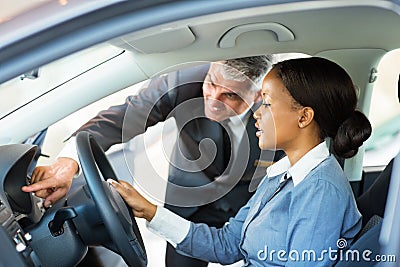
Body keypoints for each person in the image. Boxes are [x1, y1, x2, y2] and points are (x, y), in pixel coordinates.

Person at [22, 56, 284, 267]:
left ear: (259, 96)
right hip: (188, 201)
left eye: (231, 96)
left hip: (245, 209)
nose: (213, 101)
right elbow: (122, 119)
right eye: (212, 83)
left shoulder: (283, 116)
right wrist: (69, 161)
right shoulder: (184, 82)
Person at [109, 57, 372, 266]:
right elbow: (229, 244)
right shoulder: (279, 177)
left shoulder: (321, 191)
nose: (257, 113)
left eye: (267, 104)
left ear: (303, 118)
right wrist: (150, 211)